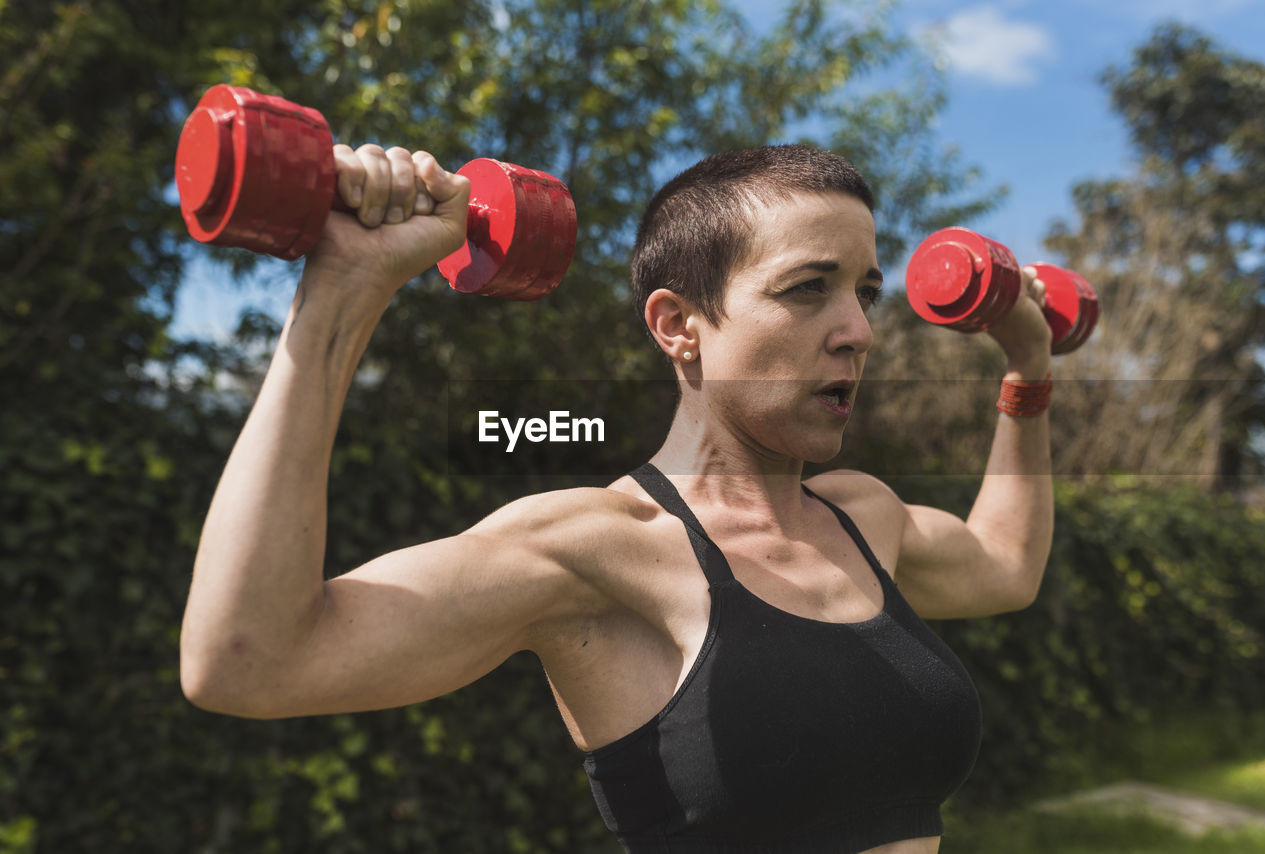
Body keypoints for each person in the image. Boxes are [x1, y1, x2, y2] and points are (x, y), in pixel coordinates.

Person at [181, 141, 1054, 853]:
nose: (860, 332)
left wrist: (1028, 372)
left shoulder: (864, 515)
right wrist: (344, 288)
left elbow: (1006, 567)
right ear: (679, 327)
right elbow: (248, 660)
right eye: (807, 288)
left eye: (865, 292)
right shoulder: (592, 549)